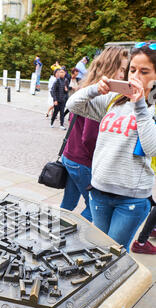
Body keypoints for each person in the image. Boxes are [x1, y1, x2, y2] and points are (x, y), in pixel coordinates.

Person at [66, 42, 156, 252]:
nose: (135, 76)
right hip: (99, 191)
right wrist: (95, 89)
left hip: (130, 199)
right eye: (132, 70)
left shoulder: (152, 108)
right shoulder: (115, 100)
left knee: (112, 254)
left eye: (144, 71)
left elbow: (152, 148)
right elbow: (73, 105)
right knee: (98, 249)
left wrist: (140, 105)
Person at [60, 47, 129, 222]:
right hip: (83, 161)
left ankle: (55, 230)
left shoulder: (88, 86)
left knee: (68, 204)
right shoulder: (101, 95)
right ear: (110, 67)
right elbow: (90, 137)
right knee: (93, 209)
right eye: (121, 69)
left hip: (70, 156)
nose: (123, 75)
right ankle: (68, 236)